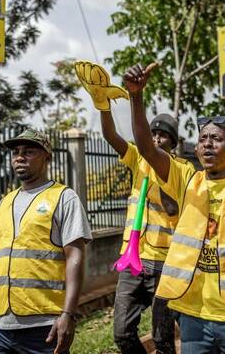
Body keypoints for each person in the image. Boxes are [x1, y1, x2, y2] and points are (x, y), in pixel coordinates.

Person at [125, 63, 225, 354]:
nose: (208, 144)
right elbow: (147, 149)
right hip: (194, 316)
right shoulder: (186, 179)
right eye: (203, 139)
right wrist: (136, 97)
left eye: (217, 139)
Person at [74, 60, 187, 353]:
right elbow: (111, 137)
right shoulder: (138, 158)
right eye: (154, 133)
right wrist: (103, 106)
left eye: (164, 136)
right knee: (122, 333)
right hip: (132, 259)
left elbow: (173, 210)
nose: (157, 138)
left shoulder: (181, 169)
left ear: (173, 143)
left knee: (162, 340)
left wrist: (159, 179)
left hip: (164, 262)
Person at [0, 129, 92, 354]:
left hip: (44, 327)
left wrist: (68, 314)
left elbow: (75, 257)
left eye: (29, 152)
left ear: (47, 157)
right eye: (16, 153)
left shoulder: (63, 197)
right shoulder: (4, 203)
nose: (19, 157)